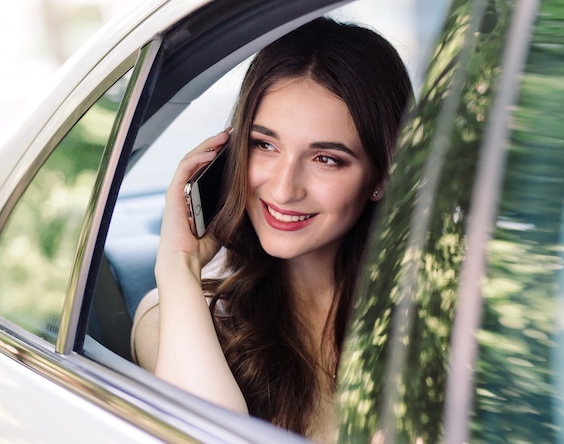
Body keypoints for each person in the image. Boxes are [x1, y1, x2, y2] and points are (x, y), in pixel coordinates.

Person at [131, 17, 412, 442]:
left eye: (326, 159)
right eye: (265, 145)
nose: (283, 188)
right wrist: (178, 264)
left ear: (381, 176)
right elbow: (206, 436)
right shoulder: (178, 313)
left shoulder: (425, 304)